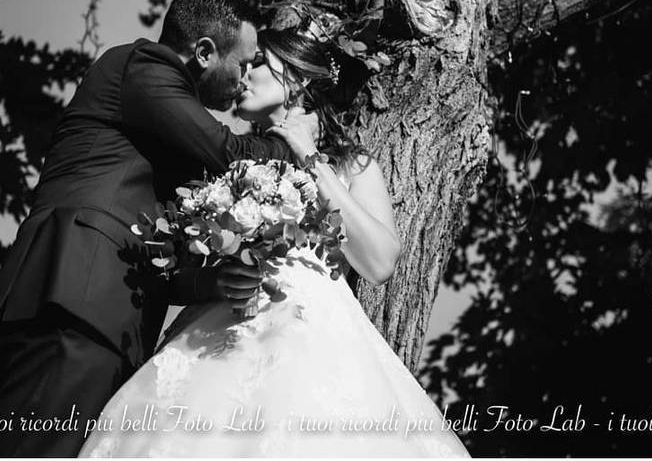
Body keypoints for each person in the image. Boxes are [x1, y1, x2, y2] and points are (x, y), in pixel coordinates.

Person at [78, 26, 470, 457]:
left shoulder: (352, 164)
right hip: (217, 326)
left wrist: (308, 156)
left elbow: (379, 263)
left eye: (258, 63)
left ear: (299, 80)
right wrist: (218, 274)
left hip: (309, 329)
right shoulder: (219, 164)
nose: (243, 76)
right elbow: (175, 270)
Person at [0, 0, 317, 457]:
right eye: (242, 62)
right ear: (203, 52)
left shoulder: (161, 129)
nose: (244, 77)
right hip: (72, 298)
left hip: (107, 316)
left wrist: (213, 284)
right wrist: (292, 141)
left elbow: (165, 251)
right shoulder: (144, 67)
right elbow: (227, 153)